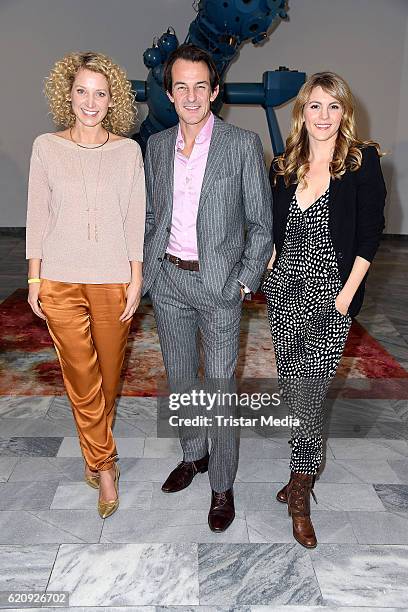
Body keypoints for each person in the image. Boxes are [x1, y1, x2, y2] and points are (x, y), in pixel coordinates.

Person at [143, 44, 273, 532]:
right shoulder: (156, 146)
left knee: (218, 389)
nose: (191, 95)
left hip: (219, 286)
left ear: (215, 92)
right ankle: (194, 455)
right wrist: (150, 271)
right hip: (170, 282)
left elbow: (262, 226)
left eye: (201, 86)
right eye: (182, 86)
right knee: (180, 378)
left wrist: (242, 281)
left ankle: (222, 484)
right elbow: (154, 215)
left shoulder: (241, 145)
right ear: (170, 93)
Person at [263, 71, 386, 548]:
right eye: (315, 105)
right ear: (301, 111)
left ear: (344, 113)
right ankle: (309, 462)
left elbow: (370, 234)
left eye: (333, 106)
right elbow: (277, 232)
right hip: (286, 292)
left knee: (310, 390)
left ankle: (299, 490)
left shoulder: (361, 161)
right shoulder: (283, 165)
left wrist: (345, 295)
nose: (323, 115)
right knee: (295, 390)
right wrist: (269, 276)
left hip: (332, 294)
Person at [26, 51, 146, 518]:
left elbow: (135, 217)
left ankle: (95, 450)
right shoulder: (46, 146)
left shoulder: (128, 151)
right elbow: (37, 215)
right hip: (59, 280)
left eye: (100, 93)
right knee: (81, 379)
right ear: (67, 95)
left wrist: (136, 278)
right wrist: (35, 276)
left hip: (114, 279)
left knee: (108, 380)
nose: (90, 102)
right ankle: (105, 466)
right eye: (82, 91)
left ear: (112, 98)